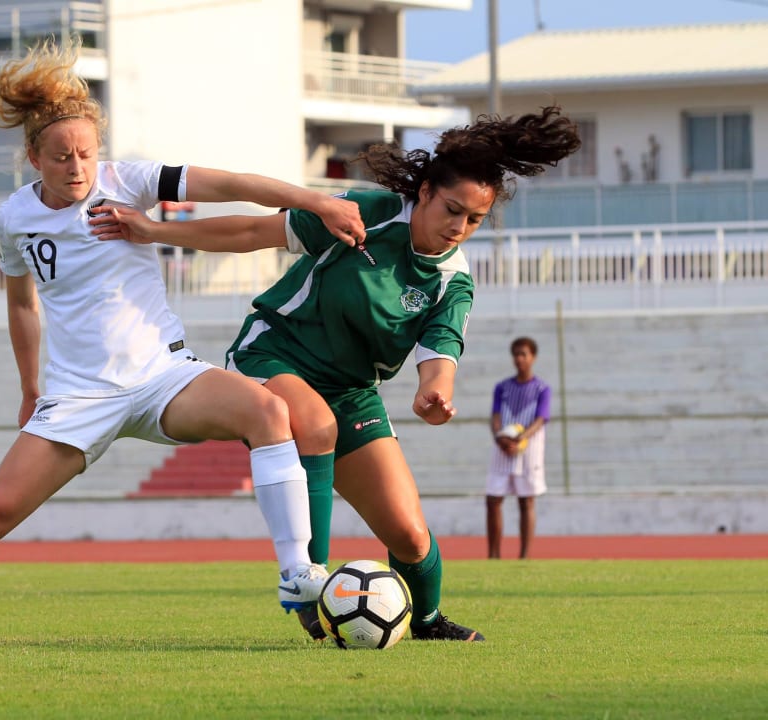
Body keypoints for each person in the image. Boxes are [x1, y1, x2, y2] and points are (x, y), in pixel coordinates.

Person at [0, 38, 367, 648]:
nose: (76, 167)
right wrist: (30, 387)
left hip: (163, 376)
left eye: (84, 153)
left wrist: (315, 199)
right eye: (61, 157)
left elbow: (230, 181)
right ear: (33, 157)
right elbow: (22, 304)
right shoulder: (14, 218)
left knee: (269, 411)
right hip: (79, 397)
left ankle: (296, 572)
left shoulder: (127, 181)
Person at [91, 106, 582, 642]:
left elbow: (441, 352)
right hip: (273, 354)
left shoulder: (453, 280)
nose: (458, 229)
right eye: (452, 210)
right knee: (315, 426)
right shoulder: (366, 214)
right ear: (423, 193)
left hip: (351, 391)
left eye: (474, 220)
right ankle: (309, 582)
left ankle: (426, 620)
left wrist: (434, 394)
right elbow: (255, 230)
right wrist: (153, 230)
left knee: (410, 536)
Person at [486, 336, 551, 560]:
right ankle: (493, 556)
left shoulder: (542, 388)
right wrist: (500, 437)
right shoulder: (502, 387)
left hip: (528, 449)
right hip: (502, 448)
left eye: (523, 354)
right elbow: (495, 416)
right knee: (493, 499)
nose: (519, 359)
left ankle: (525, 556)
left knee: (526, 500)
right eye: (516, 354)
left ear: (533, 357)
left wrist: (520, 439)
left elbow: (541, 418)